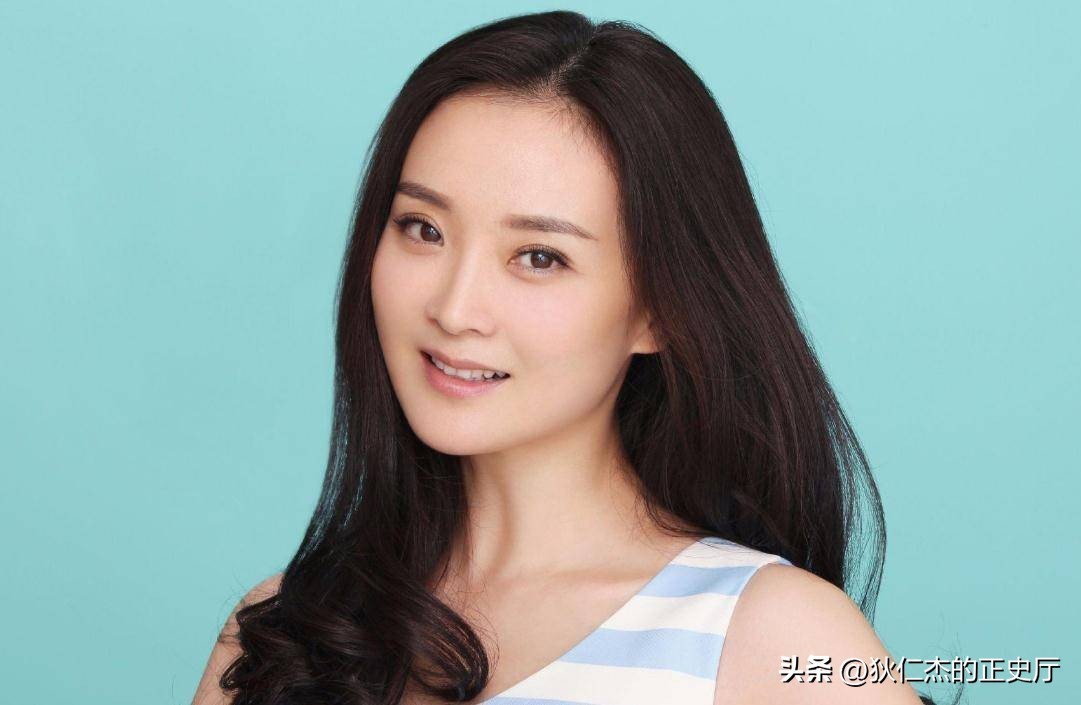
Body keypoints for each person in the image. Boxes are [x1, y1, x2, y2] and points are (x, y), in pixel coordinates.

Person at [193, 10, 954, 705]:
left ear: (659, 309)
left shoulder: (771, 639)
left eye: (538, 256)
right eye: (423, 229)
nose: (454, 309)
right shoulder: (282, 634)